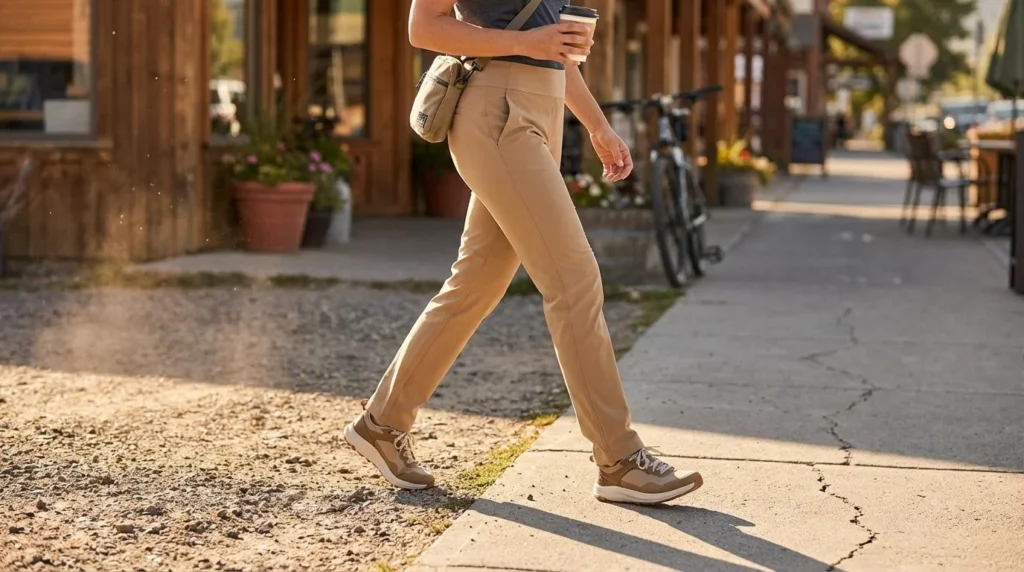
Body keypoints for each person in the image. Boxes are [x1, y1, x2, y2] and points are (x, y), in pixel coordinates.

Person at [344, 0, 703, 505]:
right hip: (496, 113)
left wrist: (598, 126)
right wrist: (526, 43)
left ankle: (382, 423)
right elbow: (423, 28)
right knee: (574, 281)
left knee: (477, 283)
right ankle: (619, 459)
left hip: (540, 110)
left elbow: (554, 52)